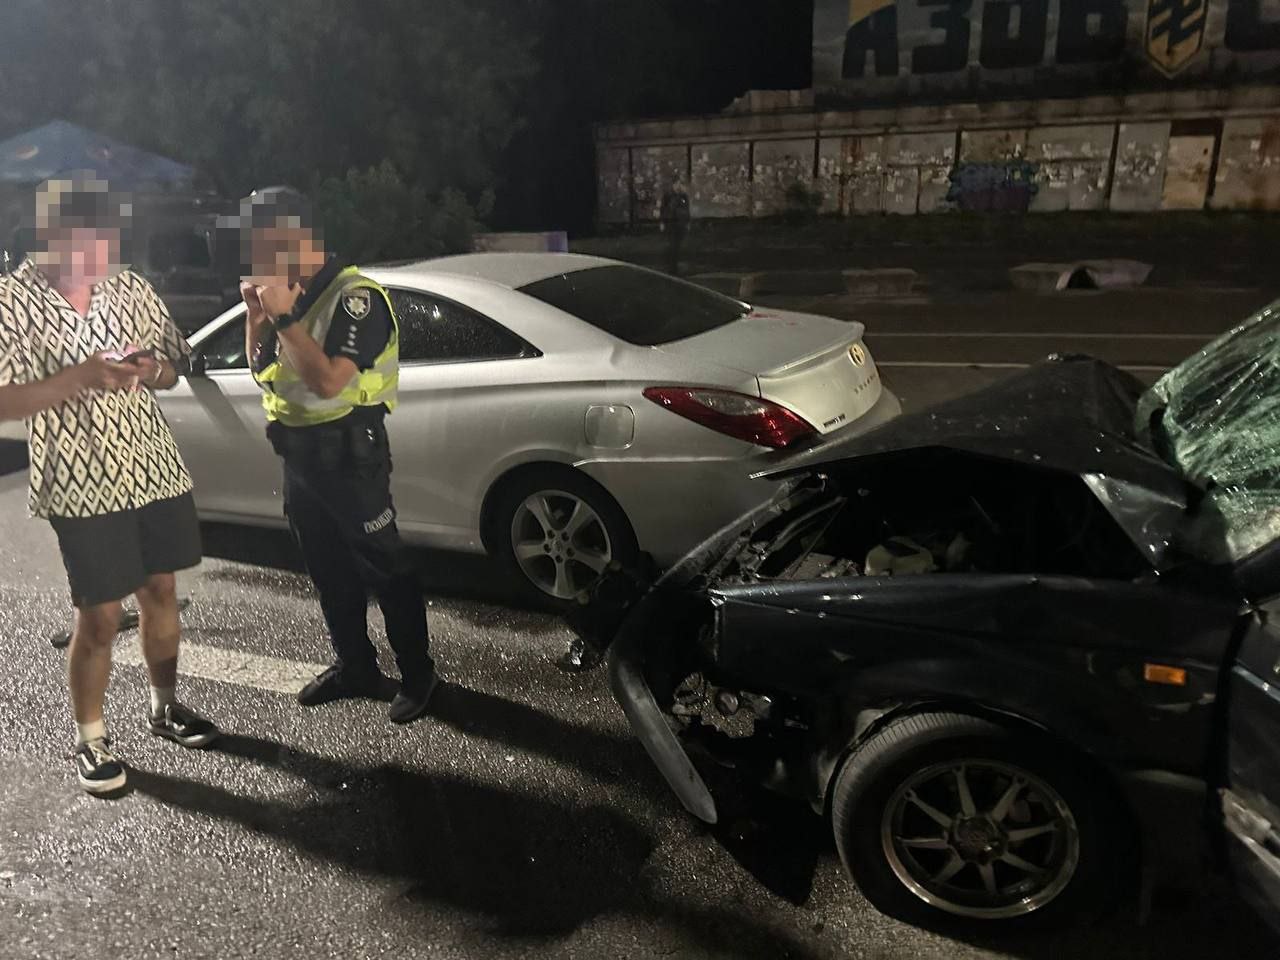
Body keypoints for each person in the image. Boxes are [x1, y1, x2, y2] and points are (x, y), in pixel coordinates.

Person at [0, 175, 217, 795]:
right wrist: (81, 377)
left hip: (151, 463)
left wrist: (153, 369)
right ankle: (91, 738)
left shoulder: (130, 287)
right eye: (91, 238)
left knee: (162, 589)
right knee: (98, 616)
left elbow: (175, 366)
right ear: (52, 234)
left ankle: (165, 705)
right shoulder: (11, 300)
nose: (104, 252)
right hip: (79, 479)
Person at [231, 187, 438, 724]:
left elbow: (326, 382)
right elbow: (261, 370)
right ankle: (356, 666)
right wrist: (257, 314)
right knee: (326, 569)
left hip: (353, 457)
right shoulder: (288, 297)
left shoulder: (355, 298)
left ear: (298, 237)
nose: (256, 260)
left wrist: (280, 318)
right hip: (300, 462)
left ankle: (418, 674)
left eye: (264, 245)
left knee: (386, 568)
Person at [660, 177, 691, 276]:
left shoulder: (683, 196)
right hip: (671, 223)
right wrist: (662, 222)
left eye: (680, 184)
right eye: (677, 184)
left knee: (677, 247)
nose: (678, 186)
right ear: (673, 184)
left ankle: (674, 267)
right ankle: (671, 268)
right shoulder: (668, 195)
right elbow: (663, 209)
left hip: (680, 224)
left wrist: (687, 222)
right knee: (672, 246)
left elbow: (686, 210)